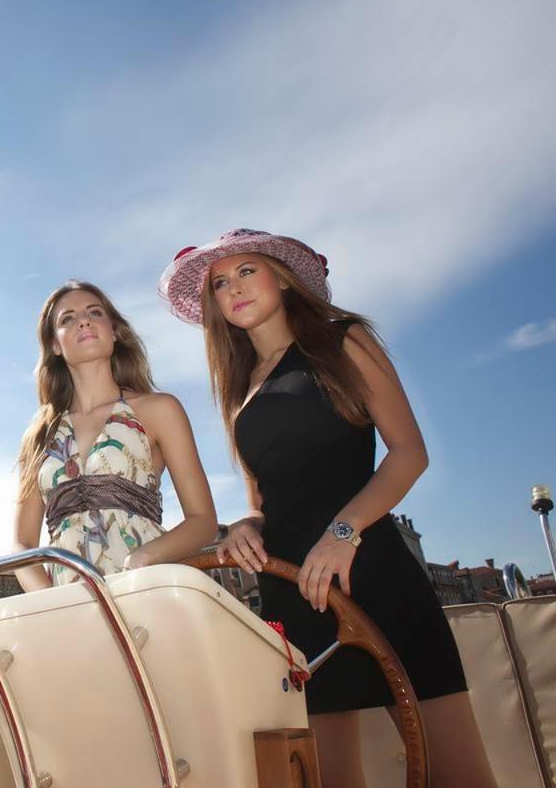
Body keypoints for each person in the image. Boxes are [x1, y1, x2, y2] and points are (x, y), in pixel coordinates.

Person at [160, 228, 497, 788]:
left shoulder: (343, 339)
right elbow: (261, 500)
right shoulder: (238, 389)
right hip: (291, 595)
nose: (233, 288)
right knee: (331, 778)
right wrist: (245, 527)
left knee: (457, 772)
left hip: (371, 571)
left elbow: (409, 453)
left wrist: (345, 530)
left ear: (281, 275)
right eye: (220, 282)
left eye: (247, 271)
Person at [13, 280, 217, 589]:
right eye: (67, 318)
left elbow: (202, 520)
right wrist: (52, 602)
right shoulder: (39, 434)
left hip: (143, 586)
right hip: (69, 603)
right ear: (55, 344)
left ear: (115, 331)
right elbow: (22, 543)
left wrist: (145, 557)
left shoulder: (159, 409)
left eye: (94, 312)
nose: (84, 320)